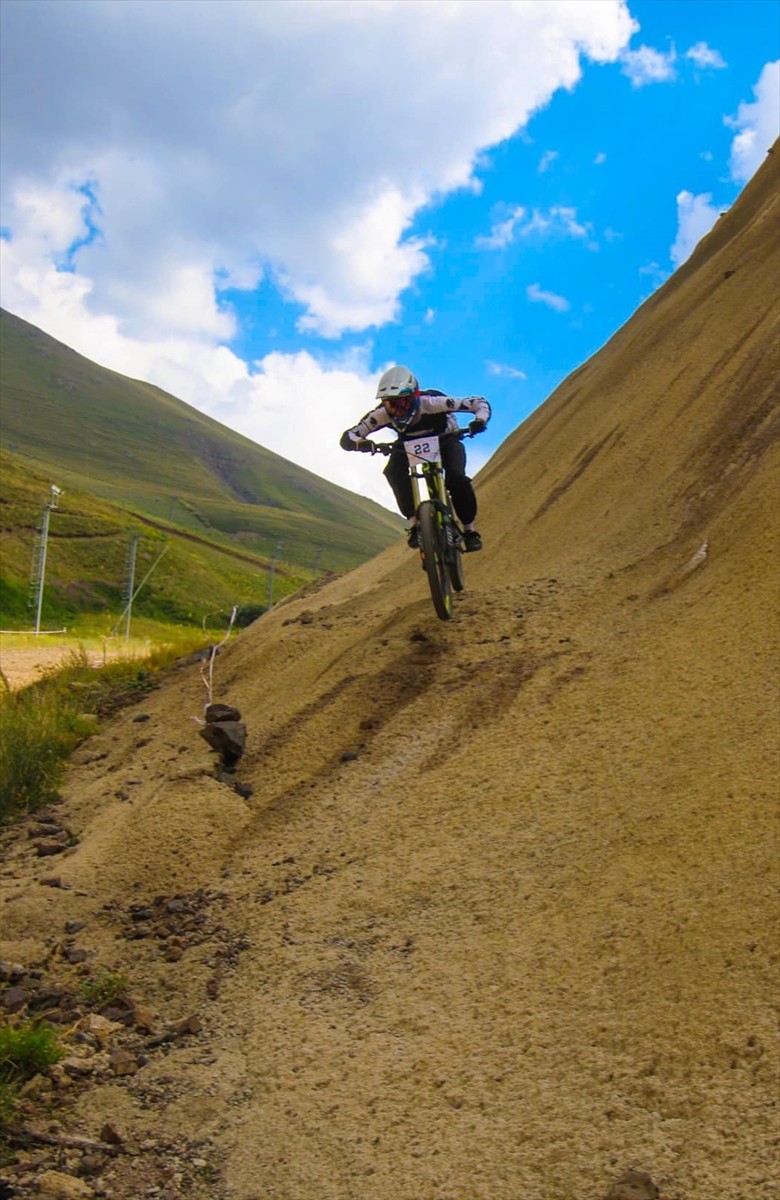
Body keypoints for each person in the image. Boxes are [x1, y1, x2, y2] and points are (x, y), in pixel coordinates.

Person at [340, 365, 490, 551]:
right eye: (392, 404)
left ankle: (469, 531)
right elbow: (349, 437)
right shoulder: (381, 414)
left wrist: (479, 421)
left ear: (415, 396)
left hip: (445, 439)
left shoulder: (433, 402)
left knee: (457, 479)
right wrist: (363, 444)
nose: (399, 409)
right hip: (407, 445)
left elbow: (478, 403)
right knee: (393, 472)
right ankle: (414, 525)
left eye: (404, 402)